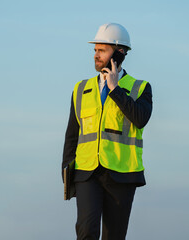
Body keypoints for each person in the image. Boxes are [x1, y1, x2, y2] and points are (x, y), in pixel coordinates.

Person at [62, 23, 153, 240]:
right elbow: (72, 135)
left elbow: (140, 119)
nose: (96, 55)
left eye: (102, 50)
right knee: (86, 231)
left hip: (122, 175)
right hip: (87, 173)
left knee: (114, 236)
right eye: (95, 50)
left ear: (119, 53)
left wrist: (115, 90)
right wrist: (67, 172)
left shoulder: (140, 87)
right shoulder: (81, 89)